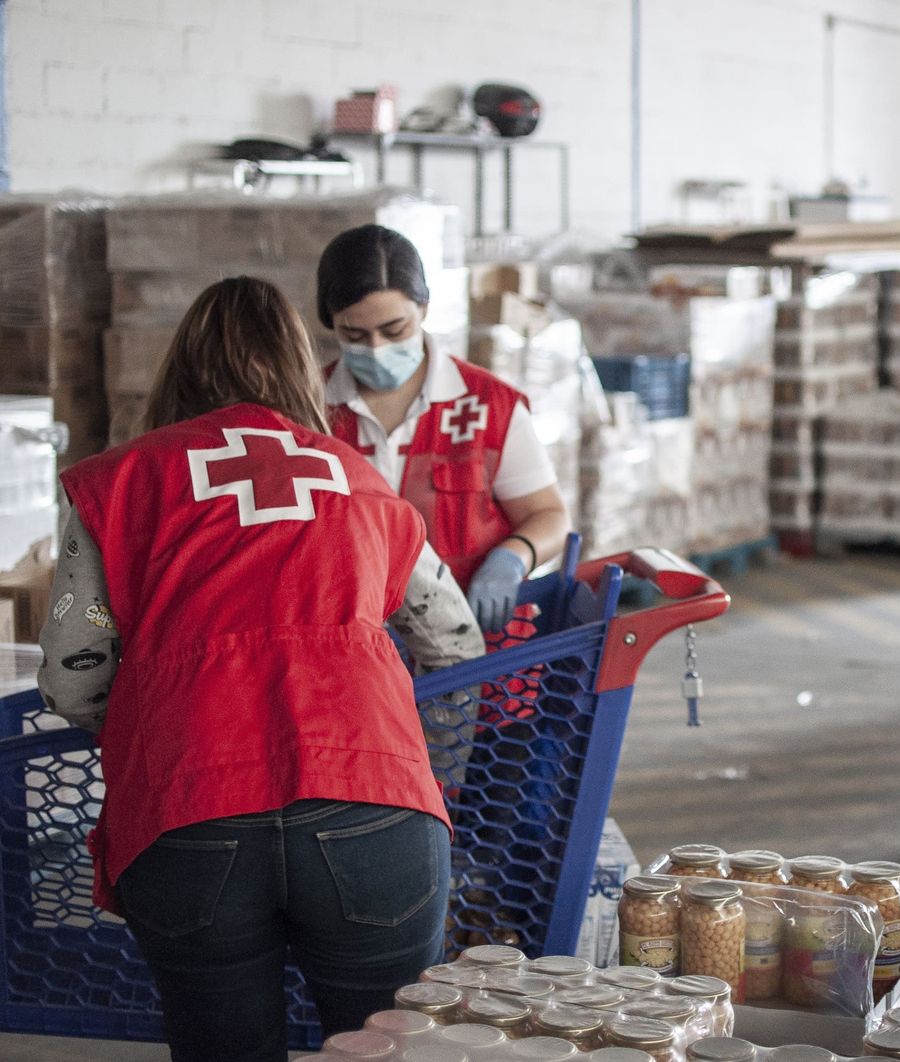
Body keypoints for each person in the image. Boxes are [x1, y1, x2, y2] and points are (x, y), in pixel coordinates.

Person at [36, 277, 485, 1060]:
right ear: (300, 366)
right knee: (383, 1048)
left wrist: (147, 693)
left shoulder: (119, 484)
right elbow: (453, 639)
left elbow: (80, 657)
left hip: (189, 807)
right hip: (374, 803)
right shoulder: (359, 482)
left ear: (179, 366)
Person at [317, 225, 571, 634]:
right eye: (355, 334)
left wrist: (513, 557)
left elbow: (549, 516)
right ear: (331, 323)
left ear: (424, 309)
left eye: (394, 329)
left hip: (476, 645)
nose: (378, 348)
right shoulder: (310, 412)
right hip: (356, 648)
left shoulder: (488, 407)